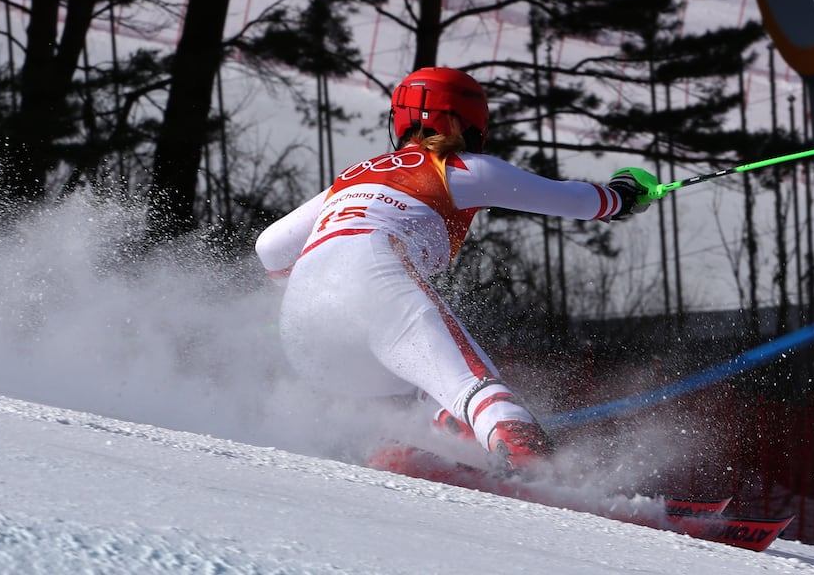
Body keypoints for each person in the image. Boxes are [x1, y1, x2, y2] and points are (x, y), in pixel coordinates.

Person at [255, 66, 648, 471]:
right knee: (475, 389)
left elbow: (270, 248)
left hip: (305, 326)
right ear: (469, 120)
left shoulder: (352, 177)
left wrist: (320, 292)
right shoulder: (462, 168)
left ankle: (435, 454)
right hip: (372, 276)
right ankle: (540, 474)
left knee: (420, 388)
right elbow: (575, 200)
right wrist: (621, 196)